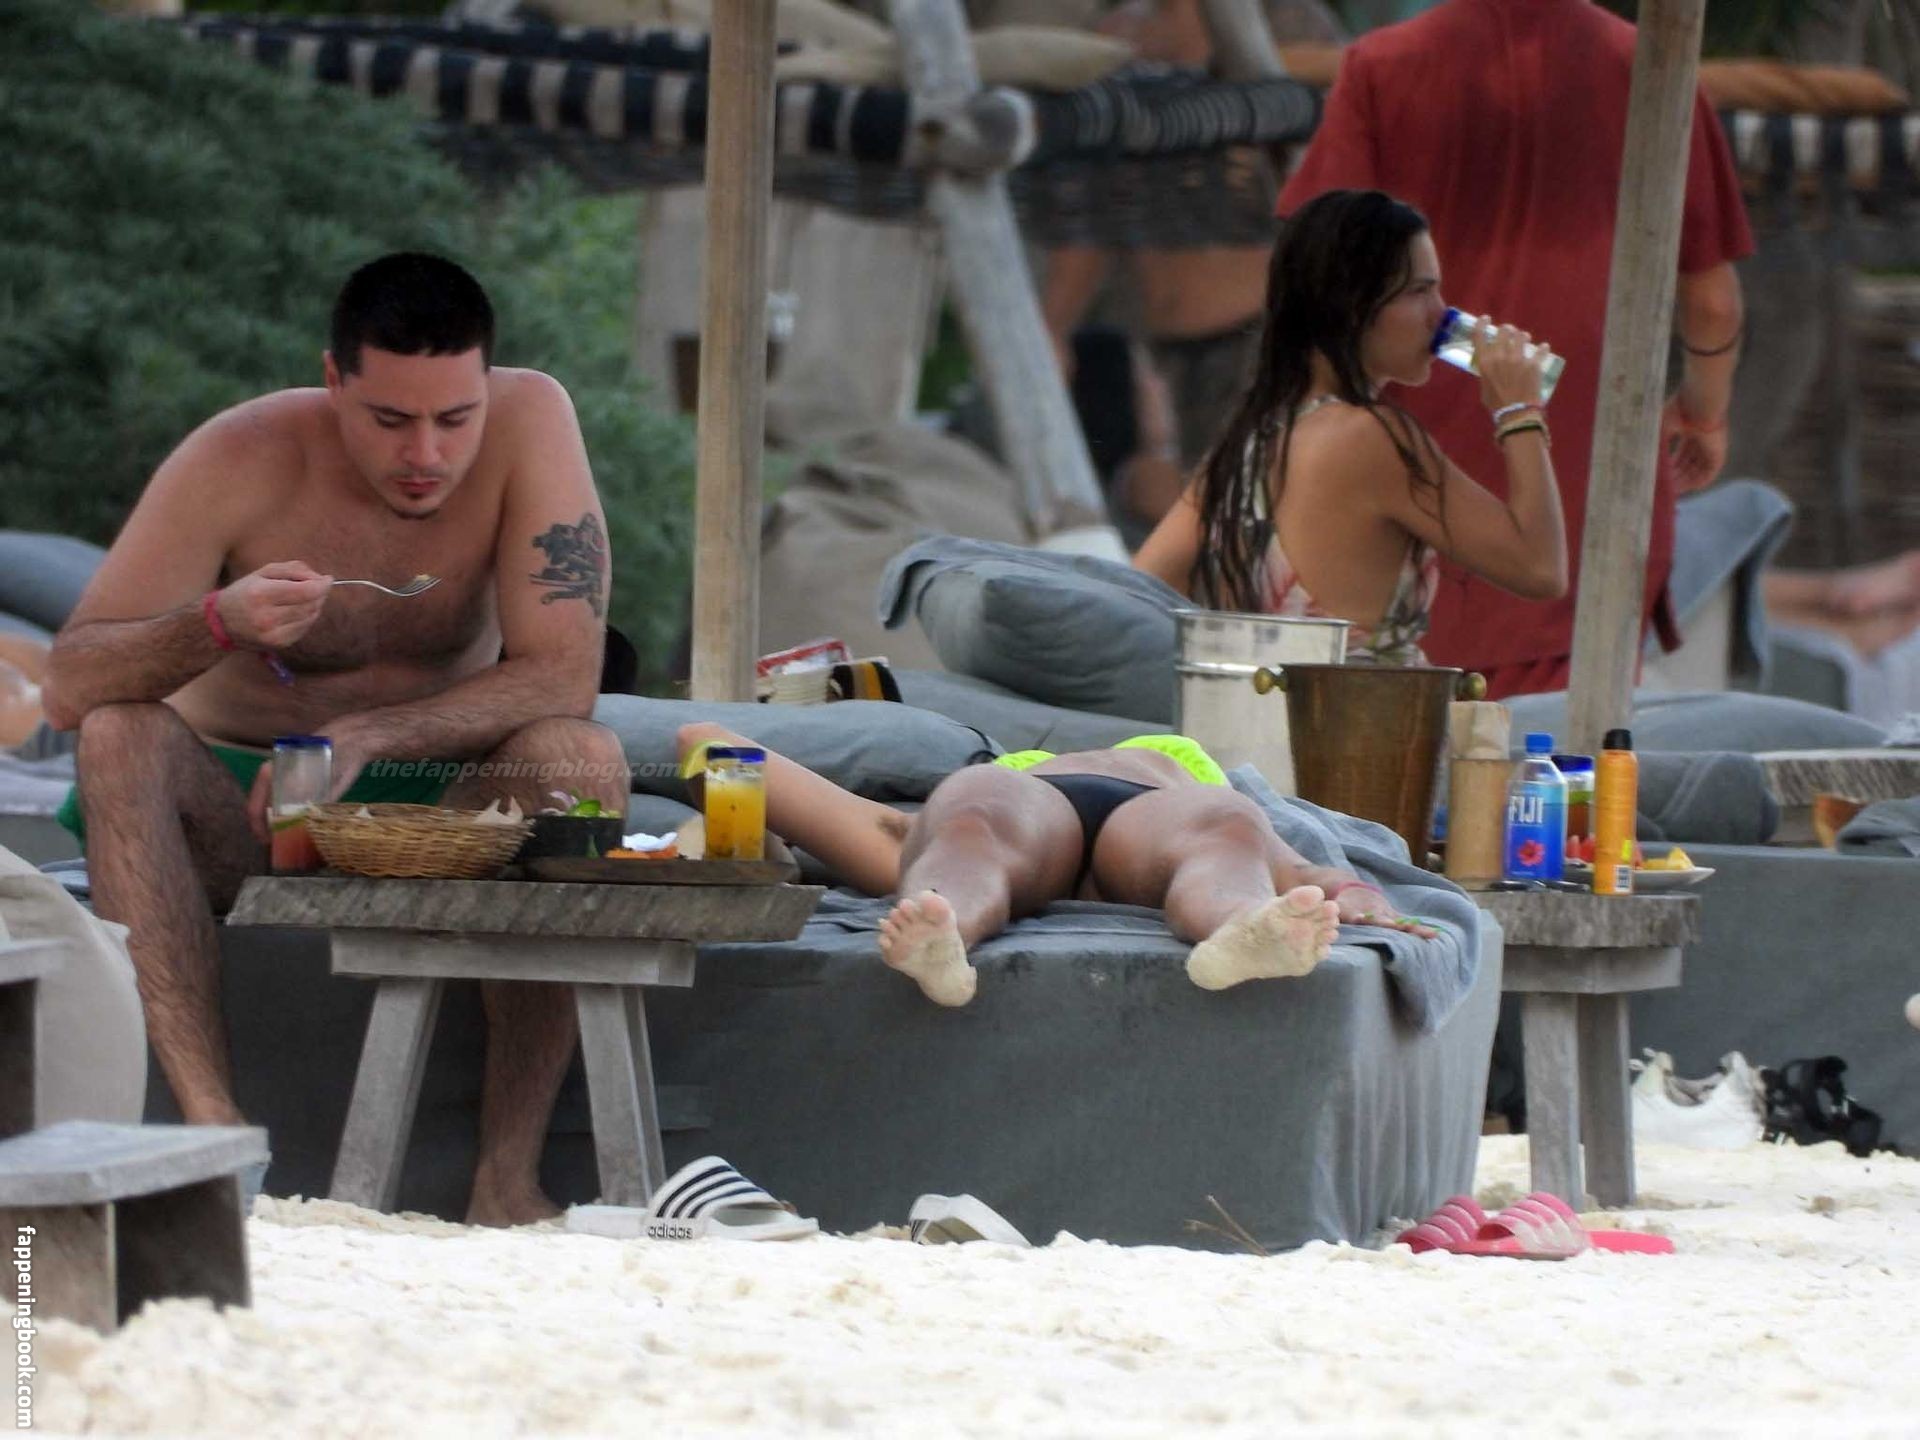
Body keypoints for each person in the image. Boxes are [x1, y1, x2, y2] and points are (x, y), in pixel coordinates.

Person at [41, 252, 630, 1226]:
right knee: (117, 737)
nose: (426, 454)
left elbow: (567, 674)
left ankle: (504, 1180)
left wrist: (365, 733)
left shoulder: (535, 420)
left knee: (580, 756)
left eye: (455, 419)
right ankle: (215, 1142)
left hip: (446, 810)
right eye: (390, 420)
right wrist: (215, 623)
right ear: (333, 382)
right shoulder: (238, 454)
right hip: (250, 813)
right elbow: (68, 688)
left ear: (487, 386)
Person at [1276, 0, 1754, 697]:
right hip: (1593, 478)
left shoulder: (1383, 66)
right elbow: (1712, 302)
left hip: (1411, 480)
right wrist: (1704, 411)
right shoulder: (1651, 62)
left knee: (1409, 736)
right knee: (1569, 744)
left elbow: (1313, 271)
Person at [678, 723, 1434, 1009]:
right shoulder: (1179, 768)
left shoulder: (988, 783)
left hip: (1123, 813)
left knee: (968, 830)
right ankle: (941, 931)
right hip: (1118, 809)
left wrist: (1357, 894)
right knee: (1226, 832)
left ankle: (1244, 930)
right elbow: (703, 743)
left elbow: (704, 745)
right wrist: (745, 833)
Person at [1132, 188, 1569, 663]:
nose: (1441, 315)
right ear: (1352, 305)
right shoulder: (1371, 437)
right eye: (1419, 291)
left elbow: (1137, 588)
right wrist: (1518, 412)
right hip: (1364, 709)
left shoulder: (1245, 442)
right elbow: (1540, 569)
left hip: (1260, 704)